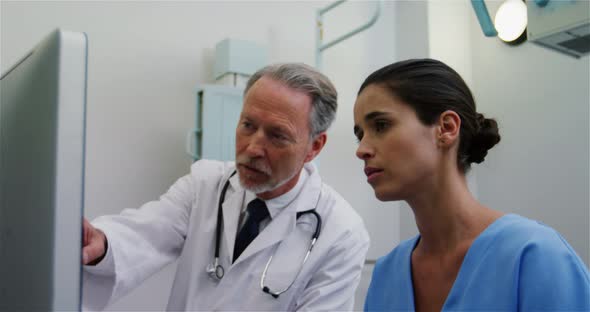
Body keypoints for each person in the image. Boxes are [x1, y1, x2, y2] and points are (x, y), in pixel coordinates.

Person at [82, 63, 370, 311]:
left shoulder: (341, 233)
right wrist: (103, 244)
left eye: (277, 135)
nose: (254, 147)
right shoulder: (205, 184)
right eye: (248, 125)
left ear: (314, 147)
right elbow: (143, 234)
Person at [354, 59, 589, 311]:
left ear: (446, 128)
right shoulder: (386, 274)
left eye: (381, 125)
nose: (362, 150)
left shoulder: (534, 254)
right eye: (360, 134)